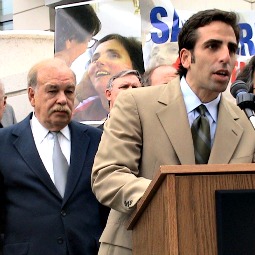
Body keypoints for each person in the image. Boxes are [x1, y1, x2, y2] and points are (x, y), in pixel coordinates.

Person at [91, 9, 255, 255]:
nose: (225, 57)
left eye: (231, 49)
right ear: (186, 58)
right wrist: (171, 196)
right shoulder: (136, 104)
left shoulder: (244, 122)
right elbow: (108, 176)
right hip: (141, 245)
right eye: (212, 46)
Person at [0, 58, 109, 255]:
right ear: (32, 96)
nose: (62, 99)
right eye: (52, 90)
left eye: (69, 91)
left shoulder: (97, 141)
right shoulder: (3, 143)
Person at [73, 33, 145, 122]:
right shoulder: (85, 110)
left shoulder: (150, 109)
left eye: (113, 55)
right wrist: (80, 93)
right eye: (95, 58)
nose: (98, 61)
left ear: (136, 67)